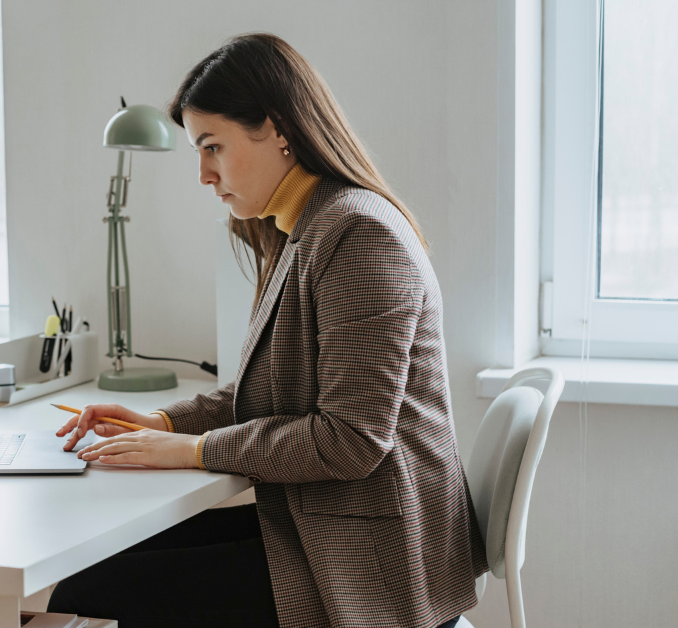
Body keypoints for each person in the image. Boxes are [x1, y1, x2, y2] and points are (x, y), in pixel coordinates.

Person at [50, 33, 488, 628]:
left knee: (92, 589)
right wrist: (166, 423)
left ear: (278, 129)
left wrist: (194, 450)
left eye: (213, 147)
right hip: (324, 523)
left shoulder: (358, 234)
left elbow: (351, 440)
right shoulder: (298, 227)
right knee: (91, 570)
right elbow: (266, 393)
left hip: (372, 558)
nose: (204, 174)